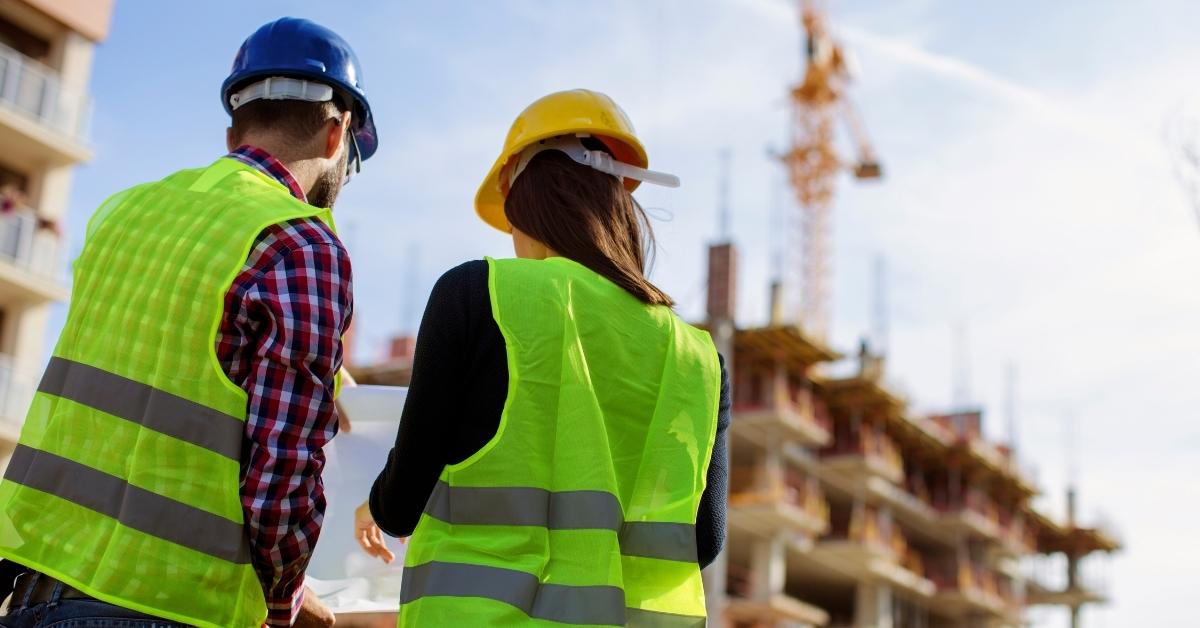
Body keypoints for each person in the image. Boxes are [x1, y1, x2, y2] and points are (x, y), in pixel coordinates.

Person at [0, 17, 377, 628]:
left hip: (34, 593)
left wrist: (332, 380)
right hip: (170, 606)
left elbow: (167, 365)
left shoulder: (125, 212)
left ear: (233, 131)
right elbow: (280, 475)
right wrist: (283, 599)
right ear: (337, 135)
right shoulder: (302, 244)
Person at [355, 89, 730, 626]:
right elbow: (702, 541)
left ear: (525, 203)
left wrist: (372, 505)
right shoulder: (698, 359)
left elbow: (401, 503)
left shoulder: (479, 293)